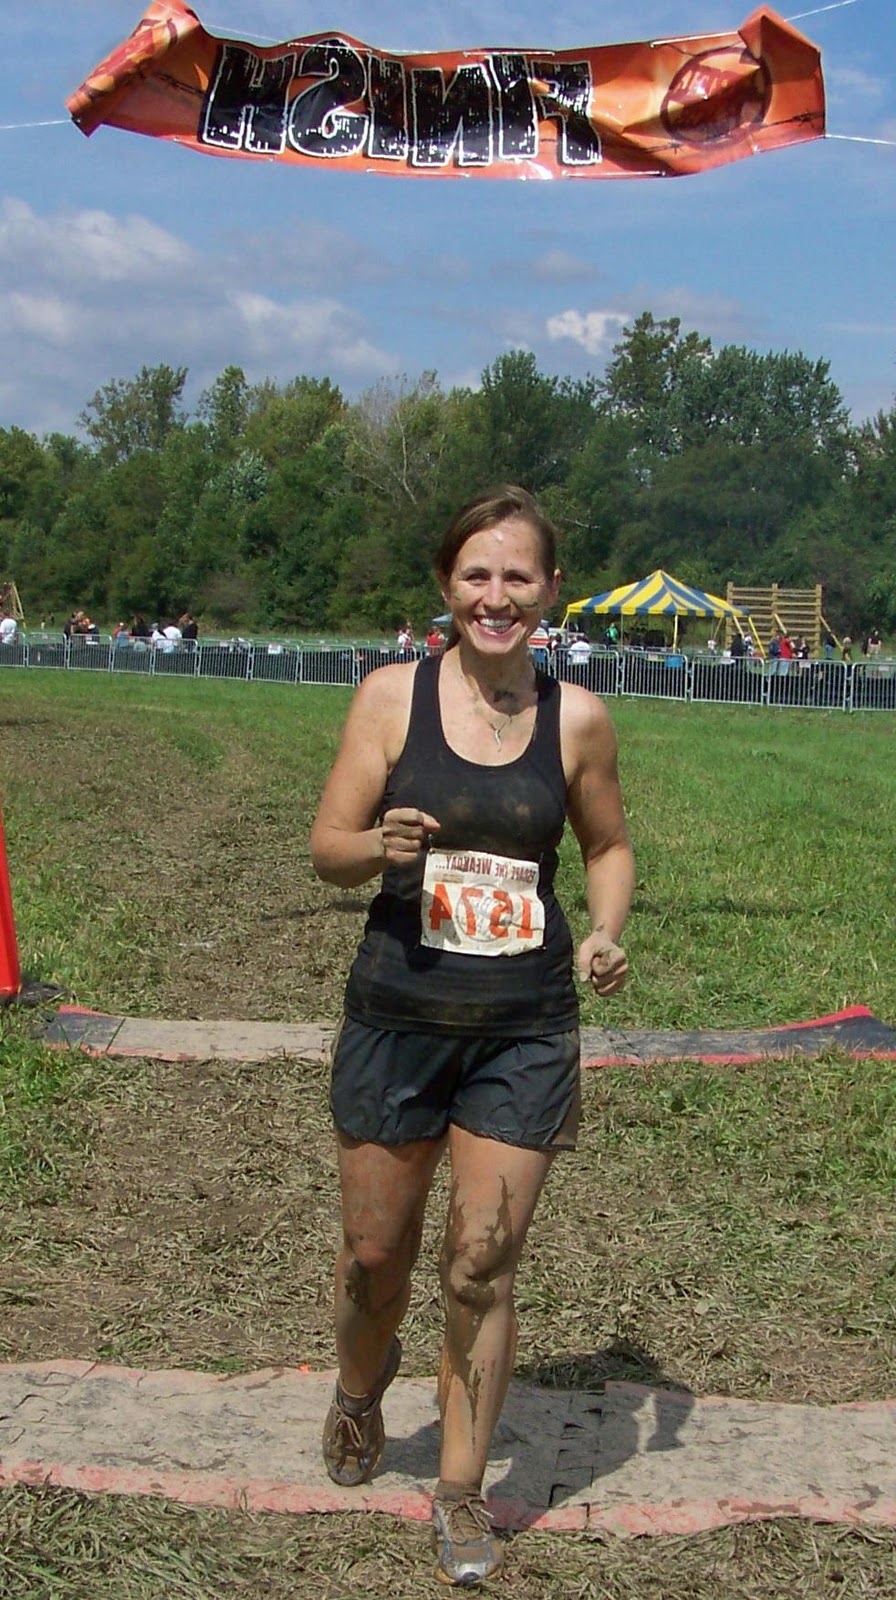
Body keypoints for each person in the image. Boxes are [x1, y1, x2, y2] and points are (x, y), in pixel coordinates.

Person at [310, 484, 633, 1586]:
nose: (495, 597)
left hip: (522, 1028)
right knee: (373, 1259)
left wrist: (602, 929)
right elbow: (326, 845)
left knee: (481, 1262)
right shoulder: (389, 697)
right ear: (446, 586)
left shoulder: (576, 717)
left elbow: (606, 845)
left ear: (549, 590)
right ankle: (360, 1387)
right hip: (397, 1017)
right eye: (475, 576)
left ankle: (458, 1492)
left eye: (517, 577)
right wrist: (378, 846)